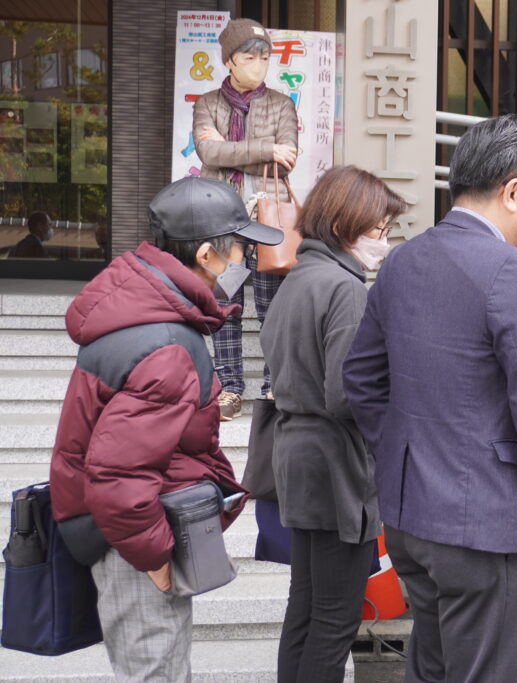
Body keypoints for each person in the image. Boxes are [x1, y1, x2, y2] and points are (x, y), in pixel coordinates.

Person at [343, 114, 517, 682]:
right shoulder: (509, 269)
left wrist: (404, 454)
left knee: (430, 667)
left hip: (410, 517)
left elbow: (361, 379)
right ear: (511, 192)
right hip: (485, 522)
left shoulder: (403, 259)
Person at [48, 176, 283, 681]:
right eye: (241, 250)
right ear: (205, 255)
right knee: (155, 672)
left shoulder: (145, 315)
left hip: (128, 528)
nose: (247, 263)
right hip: (133, 539)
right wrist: (154, 557)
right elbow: (118, 473)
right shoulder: (167, 344)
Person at [260, 166, 406, 682]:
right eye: (380, 229)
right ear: (348, 224)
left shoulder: (298, 278)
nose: (384, 241)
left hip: (296, 455)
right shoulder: (345, 288)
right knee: (336, 617)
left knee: (305, 606)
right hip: (334, 465)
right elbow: (349, 395)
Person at [193, 17, 299, 420]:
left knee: (274, 308)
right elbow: (209, 154)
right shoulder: (207, 104)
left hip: (268, 222)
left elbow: (287, 159)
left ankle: (274, 384)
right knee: (226, 304)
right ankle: (230, 388)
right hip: (223, 222)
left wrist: (246, 149)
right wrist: (266, 147)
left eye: (264, 56)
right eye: (249, 56)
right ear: (230, 61)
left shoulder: (281, 104)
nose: (259, 63)